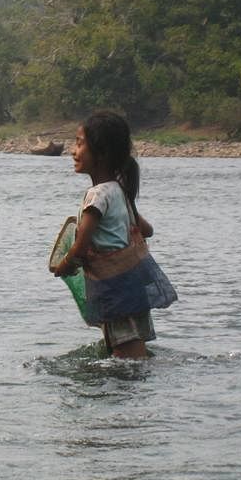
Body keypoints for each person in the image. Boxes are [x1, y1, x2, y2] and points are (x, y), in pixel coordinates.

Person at [51, 111, 160, 359]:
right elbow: (147, 230)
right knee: (132, 350)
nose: (73, 151)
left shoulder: (97, 196)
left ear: (102, 153)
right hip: (131, 287)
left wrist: (64, 266)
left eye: (79, 144)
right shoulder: (120, 191)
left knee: (125, 357)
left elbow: (80, 246)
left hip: (115, 291)